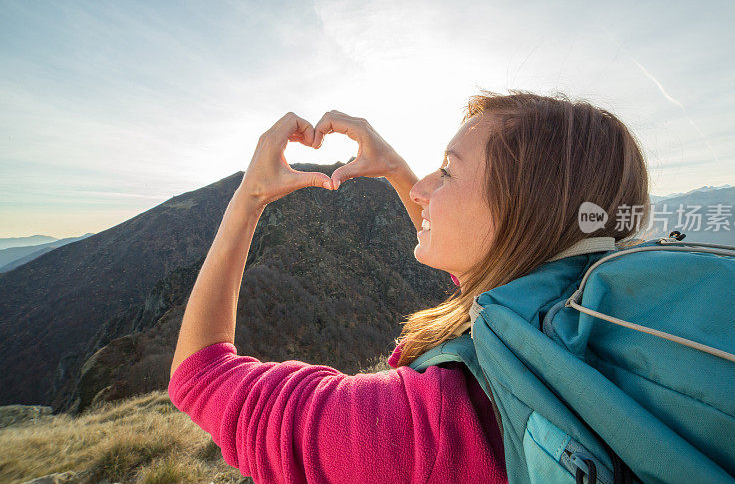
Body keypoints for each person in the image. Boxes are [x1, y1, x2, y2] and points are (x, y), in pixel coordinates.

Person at [168, 90, 650, 483]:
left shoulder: (423, 429)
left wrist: (250, 198)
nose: (421, 189)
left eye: (447, 171)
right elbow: (487, 277)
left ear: (521, 218)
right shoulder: (597, 314)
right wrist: (393, 166)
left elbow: (200, 376)